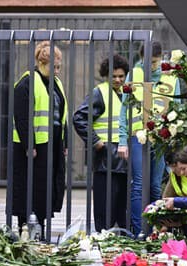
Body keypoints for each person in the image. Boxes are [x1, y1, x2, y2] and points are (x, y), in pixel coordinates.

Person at [117, 42, 181, 236]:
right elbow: (124, 108)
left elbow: (177, 108)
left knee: (155, 185)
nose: (151, 66)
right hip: (137, 136)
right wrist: (121, 140)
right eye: (148, 62)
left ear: (162, 57)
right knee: (138, 184)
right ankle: (139, 232)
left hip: (160, 138)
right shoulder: (135, 74)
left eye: (155, 62)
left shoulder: (171, 77)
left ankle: (156, 229)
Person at [11, 41, 67, 240]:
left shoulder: (56, 84)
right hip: (32, 149)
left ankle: (39, 233)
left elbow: (62, 116)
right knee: (28, 190)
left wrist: (64, 142)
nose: (58, 71)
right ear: (42, 63)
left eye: (59, 67)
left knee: (44, 191)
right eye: (55, 67)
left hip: (51, 146)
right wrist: (30, 144)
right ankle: (25, 232)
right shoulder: (27, 82)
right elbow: (22, 117)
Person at [73, 55, 129, 233]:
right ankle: (103, 238)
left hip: (123, 160)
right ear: (106, 75)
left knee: (122, 208)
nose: (118, 80)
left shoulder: (127, 94)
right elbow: (79, 118)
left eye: (121, 76)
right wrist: (96, 141)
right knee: (105, 208)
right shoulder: (100, 92)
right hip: (105, 160)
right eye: (114, 76)